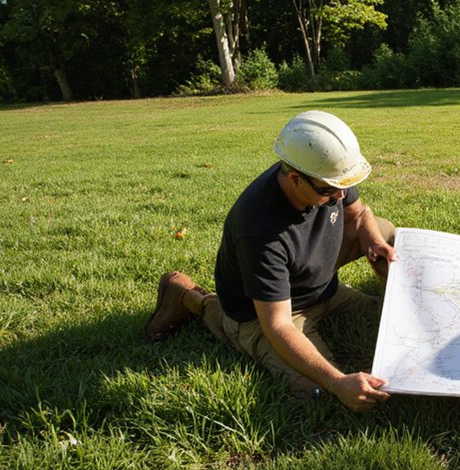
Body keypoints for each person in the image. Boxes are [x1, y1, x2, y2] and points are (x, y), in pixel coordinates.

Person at [144, 110, 396, 412]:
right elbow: (277, 325)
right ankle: (192, 299)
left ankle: (329, 293)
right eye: (331, 190)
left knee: (387, 233)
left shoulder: (326, 172)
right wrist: (338, 382)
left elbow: (359, 212)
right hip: (265, 315)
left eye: (345, 184)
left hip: (315, 284)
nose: (341, 196)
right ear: (294, 178)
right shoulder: (260, 230)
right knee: (319, 391)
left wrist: (373, 240)